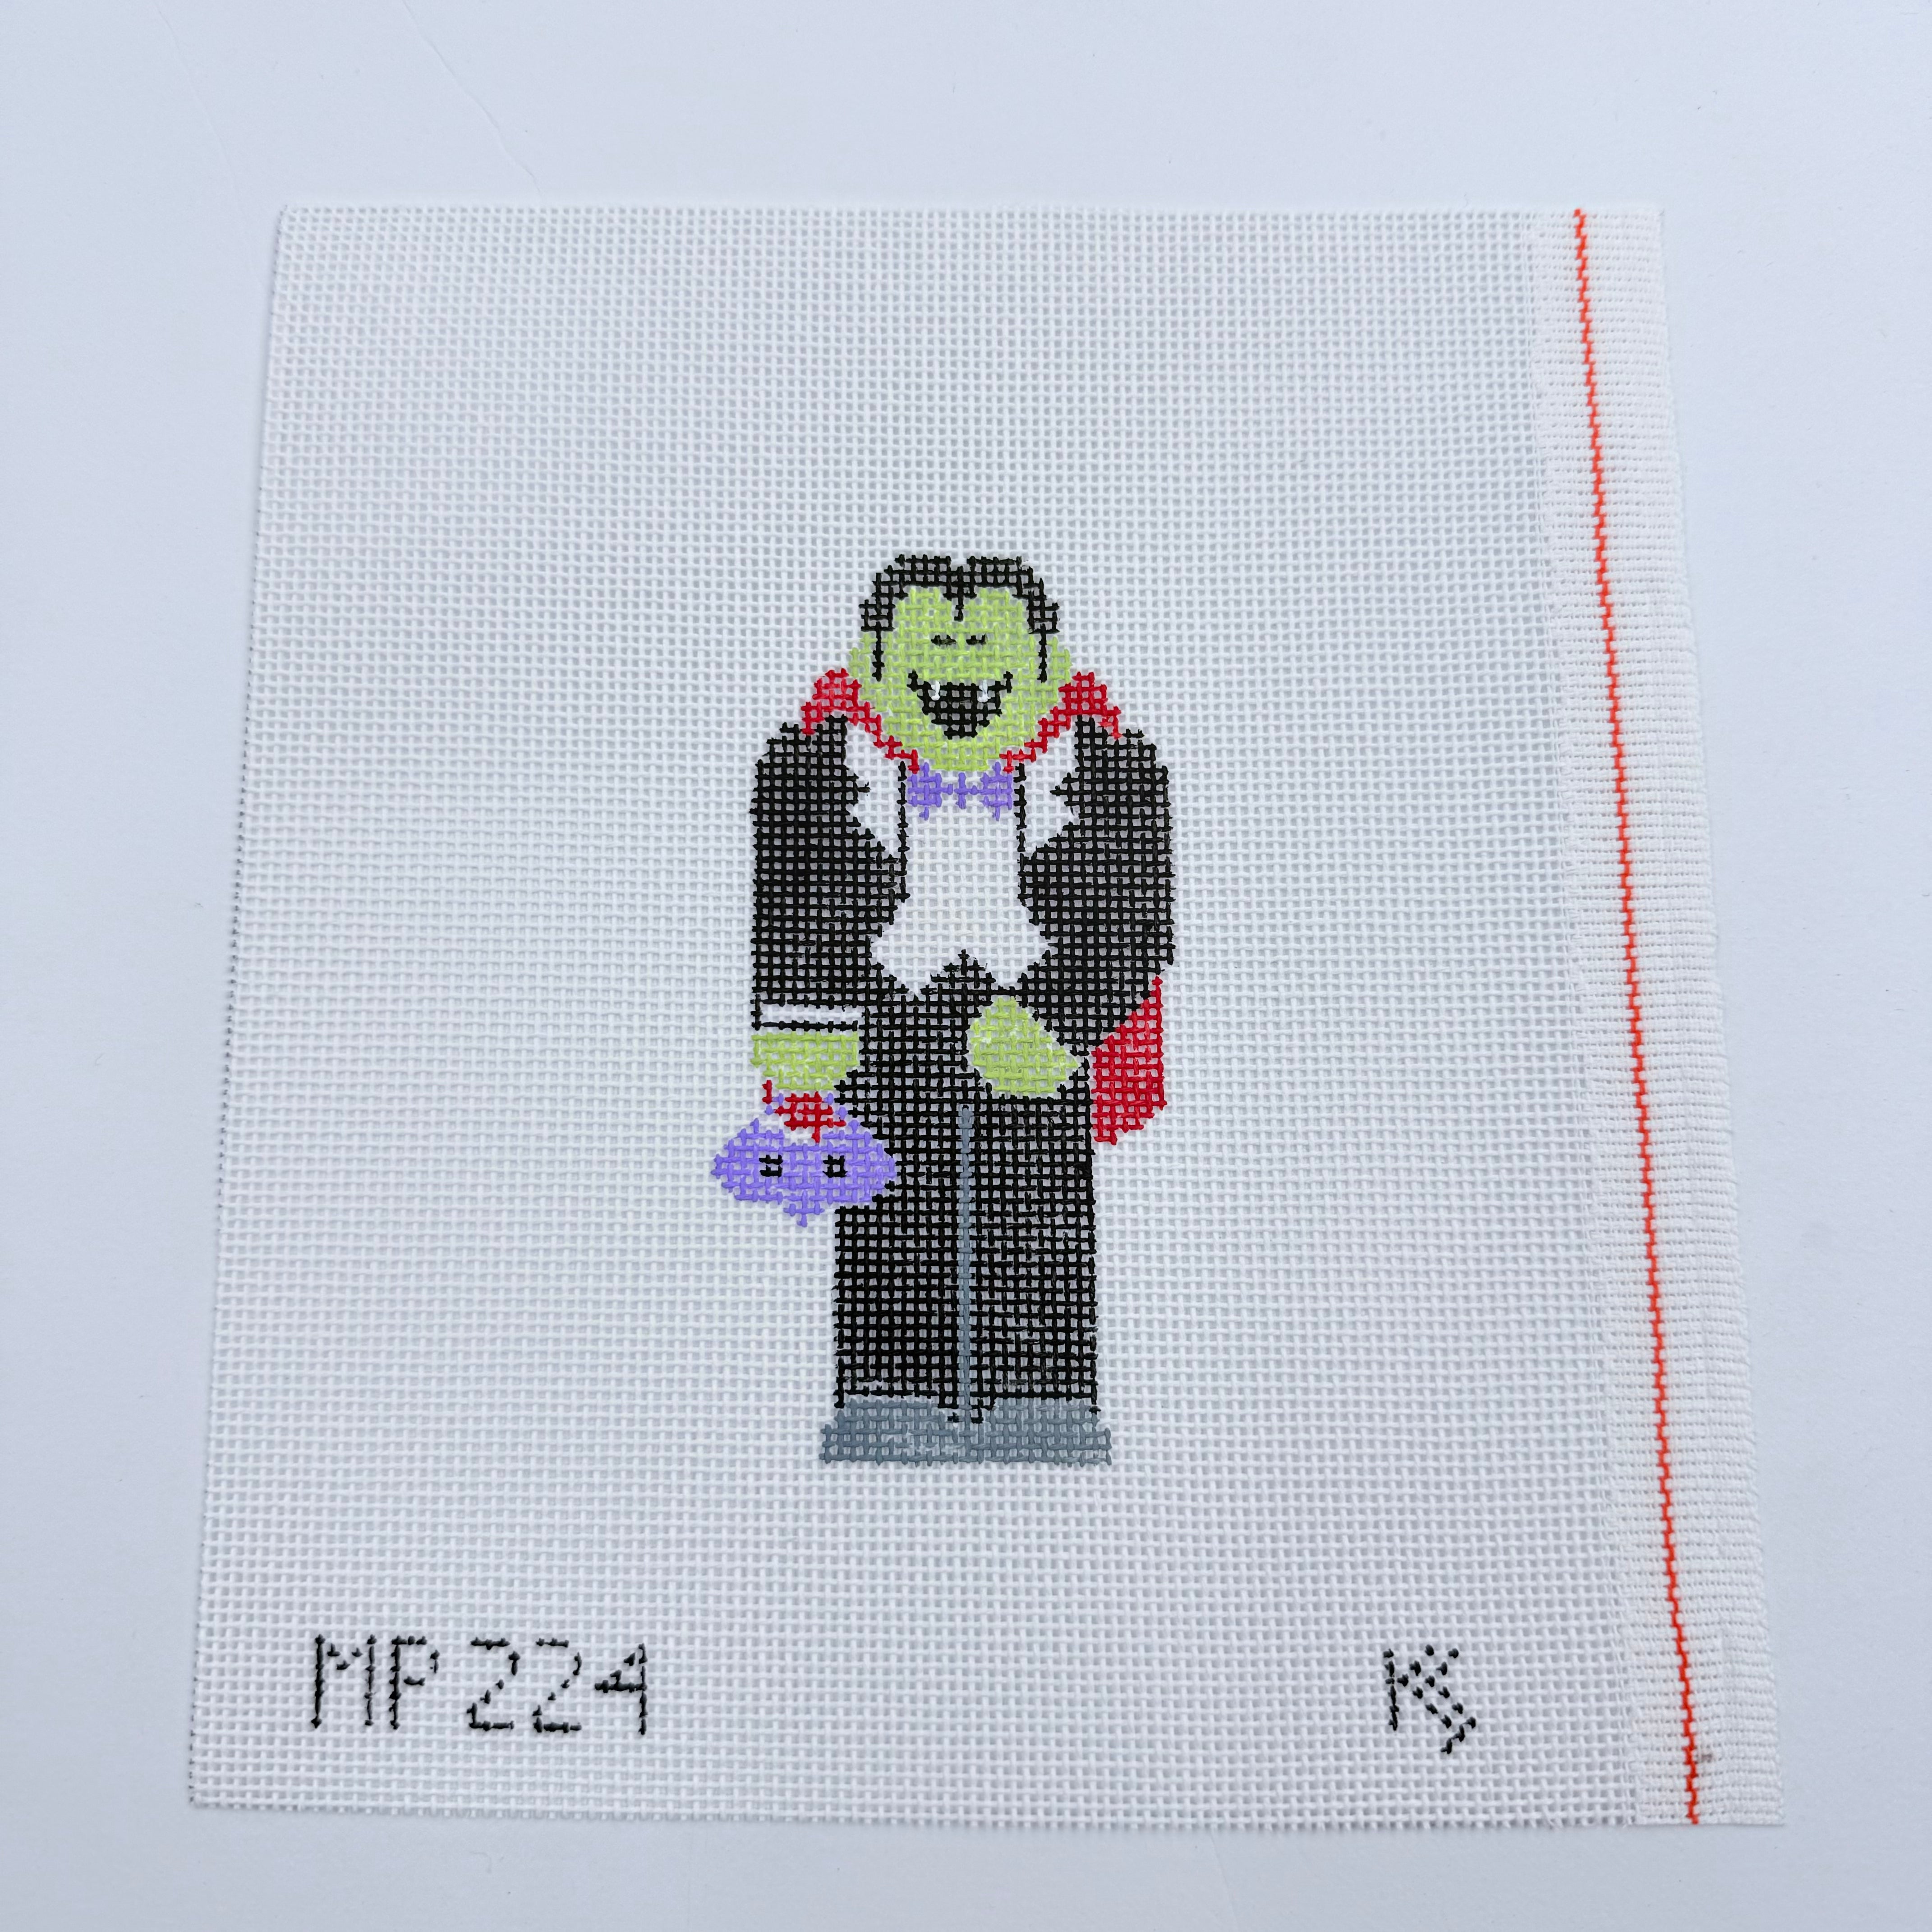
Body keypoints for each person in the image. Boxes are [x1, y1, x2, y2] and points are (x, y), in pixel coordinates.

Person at [746, 555, 1173, 1464]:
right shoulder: (814, 765)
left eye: (985, 645)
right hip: (883, 1020)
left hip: (1037, 1024)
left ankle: (1044, 1400)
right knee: (888, 1210)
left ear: (1047, 669)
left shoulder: (1107, 767)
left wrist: (1063, 1015)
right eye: (934, 645)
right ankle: (887, 1394)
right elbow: (789, 899)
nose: (960, 667)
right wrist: (804, 1026)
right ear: (873, 667)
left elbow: (1137, 918)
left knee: (1038, 1209)